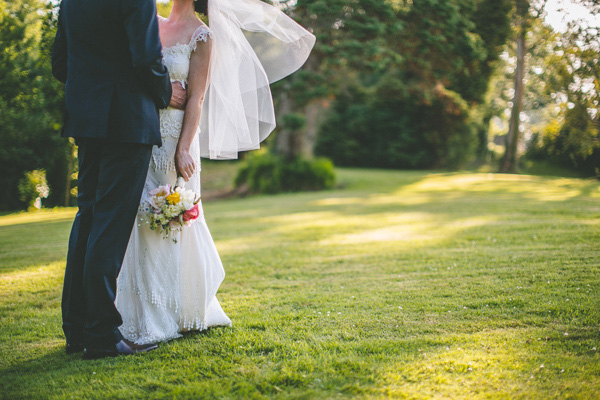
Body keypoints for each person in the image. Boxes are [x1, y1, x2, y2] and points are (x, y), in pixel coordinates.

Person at [115, 0, 316, 345]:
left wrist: (182, 148)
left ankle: (176, 311)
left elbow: (196, 99)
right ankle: (138, 313)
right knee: (140, 219)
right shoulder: (153, 23)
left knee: (167, 217)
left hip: (176, 139)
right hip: (142, 134)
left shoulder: (202, 36)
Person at [51, 0, 188, 360]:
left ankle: (77, 330)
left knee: (89, 218)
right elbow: (145, 58)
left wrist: (93, 88)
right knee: (110, 224)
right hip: (127, 121)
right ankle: (102, 335)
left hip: (86, 118)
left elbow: (60, 63)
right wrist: (165, 92)